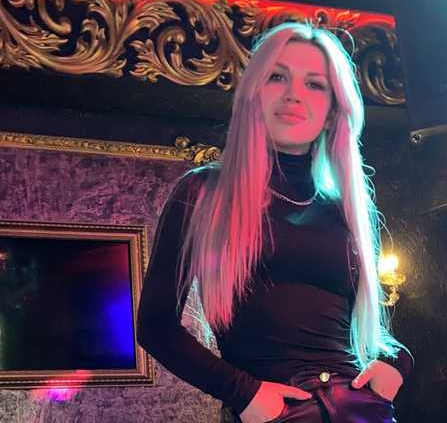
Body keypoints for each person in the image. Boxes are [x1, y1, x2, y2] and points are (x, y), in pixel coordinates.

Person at [137, 22, 413, 423]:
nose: (293, 94)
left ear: (333, 111)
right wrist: (243, 392)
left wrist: (398, 361)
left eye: (314, 84)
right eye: (277, 77)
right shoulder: (204, 192)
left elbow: (360, 330)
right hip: (276, 414)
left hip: (358, 410)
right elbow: (155, 325)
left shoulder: (344, 209)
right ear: (254, 93)